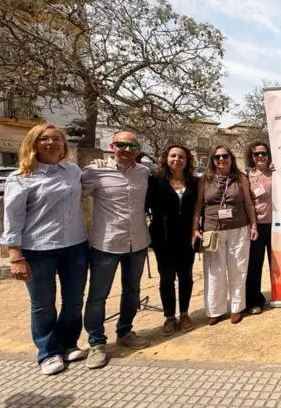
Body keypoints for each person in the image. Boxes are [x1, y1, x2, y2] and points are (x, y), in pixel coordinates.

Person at [1, 124, 88, 375]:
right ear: (33, 143)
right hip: (38, 249)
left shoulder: (73, 171)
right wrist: (15, 256)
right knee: (42, 304)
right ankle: (48, 353)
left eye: (56, 139)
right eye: (44, 139)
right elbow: (13, 218)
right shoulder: (21, 177)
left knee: (74, 301)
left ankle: (69, 343)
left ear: (63, 144)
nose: (51, 143)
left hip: (75, 246)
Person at [82, 131, 151, 369]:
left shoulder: (143, 172)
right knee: (98, 295)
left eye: (132, 146)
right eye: (121, 144)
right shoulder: (94, 172)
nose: (126, 149)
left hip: (137, 242)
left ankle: (125, 331)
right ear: (112, 146)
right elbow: (74, 197)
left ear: (138, 148)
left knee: (132, 291)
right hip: (106, 243)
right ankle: (96, 343)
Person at [192, 146, 258, 326]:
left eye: (225, 156)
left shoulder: (240, 178)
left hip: (239, 228)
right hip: (213, 230)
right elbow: (198, 205)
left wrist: (253, 225)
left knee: (238, 268)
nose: (221, 159)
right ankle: (215, 310)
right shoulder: (205, 179)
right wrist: (195, 228)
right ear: (212, 160)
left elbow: (248, 203)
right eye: (217, 157)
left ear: (231, 158)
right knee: (214, 271)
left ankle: (237, 307)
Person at [146, 145, 199, 336]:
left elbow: (197, 208)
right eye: (173, 156)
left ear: (187, 160)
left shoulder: (193, 182)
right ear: (166, 158)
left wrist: (196, 229)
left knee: (186, 277)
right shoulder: (154, 181)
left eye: (181, 156)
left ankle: (184, 313)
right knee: (167, 278)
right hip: (163, 237)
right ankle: (169, 316)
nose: (177, 159)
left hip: (187, 237)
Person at [245, 141, 273, 315]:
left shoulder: (275, 173)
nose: (260, 156)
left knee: (278, 264)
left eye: (264, 153)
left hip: (278, 225)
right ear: (252, 157)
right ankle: (255, 300)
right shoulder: (247, 177)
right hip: (257, 226)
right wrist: (253, 225)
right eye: (256, 154)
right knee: (254, 264)